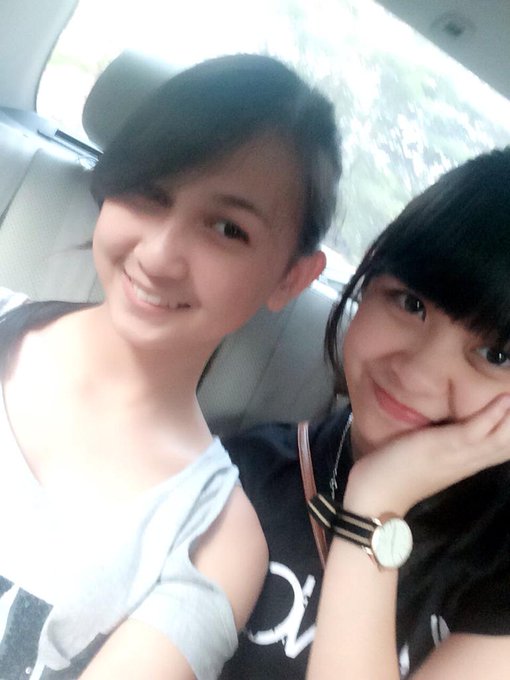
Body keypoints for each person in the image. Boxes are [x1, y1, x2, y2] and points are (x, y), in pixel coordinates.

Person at [0, 54, 341, 679]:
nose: (158, 257)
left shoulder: (215, 539)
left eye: (227, 228)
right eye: (148, 193)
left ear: (291, 278)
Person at [221, 146, 510, 679]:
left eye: (496, 355)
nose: (418, 373)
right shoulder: (242, 474)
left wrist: (377, 503)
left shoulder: (498, 565)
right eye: (410, 303)